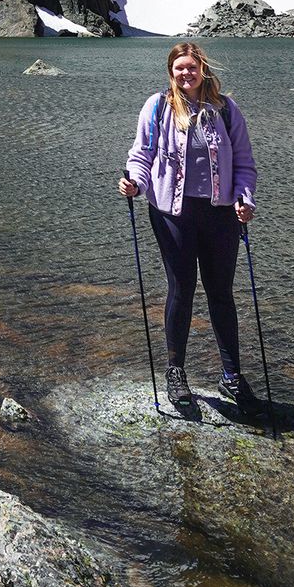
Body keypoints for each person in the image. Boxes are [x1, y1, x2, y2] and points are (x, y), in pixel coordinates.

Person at [118, 40, 258, 410]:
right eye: (179, 68)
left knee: (221, 293)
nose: (185, 73)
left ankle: (231, 375)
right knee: (181, 289)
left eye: (191, 67)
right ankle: (175, 372)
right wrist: (134, 181)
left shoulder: (226, 110)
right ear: (171, 72)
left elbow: (244, 163)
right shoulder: (158, 107)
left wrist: (245, 198)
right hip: (171, 214)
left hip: (221, 215)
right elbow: (141, 155)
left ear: (202, 70)